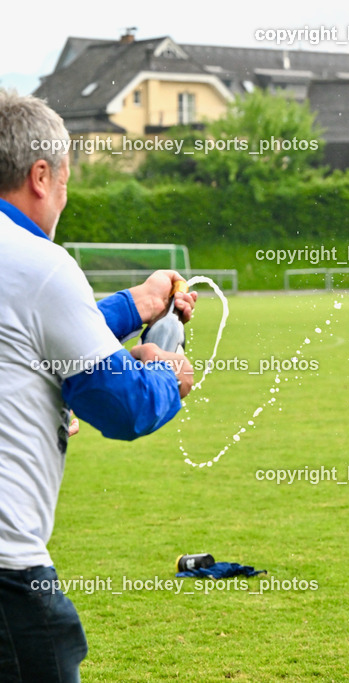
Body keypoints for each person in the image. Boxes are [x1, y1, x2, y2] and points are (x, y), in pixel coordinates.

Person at [0, 89, 197, 681]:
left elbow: (31, 327)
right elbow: (123, 406)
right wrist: (166, 369)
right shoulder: (38, 262)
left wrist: (134, 304)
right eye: (64, 181)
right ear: (41, 175)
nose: (63, 196)